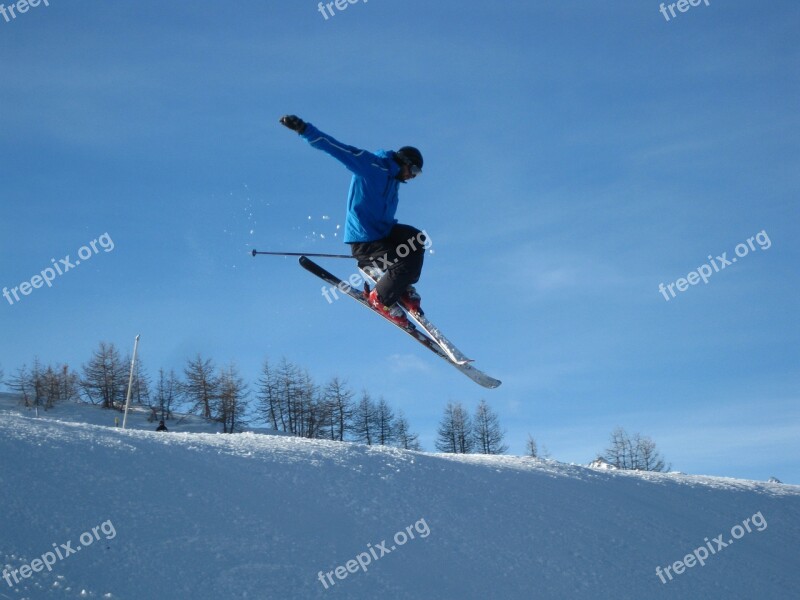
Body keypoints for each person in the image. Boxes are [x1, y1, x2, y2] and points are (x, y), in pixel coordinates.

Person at [280, 115, 426, 326]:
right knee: (403, 262)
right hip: (365, 242)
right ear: (404, 162)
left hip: (384, 234)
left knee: (417, 239)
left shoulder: (394, 181)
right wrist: (304, 129)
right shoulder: (372, 166)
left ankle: (400, 286)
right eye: (414, 170)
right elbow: (337, 149)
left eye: (417, 174)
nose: (413, 176)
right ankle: (381, 299)